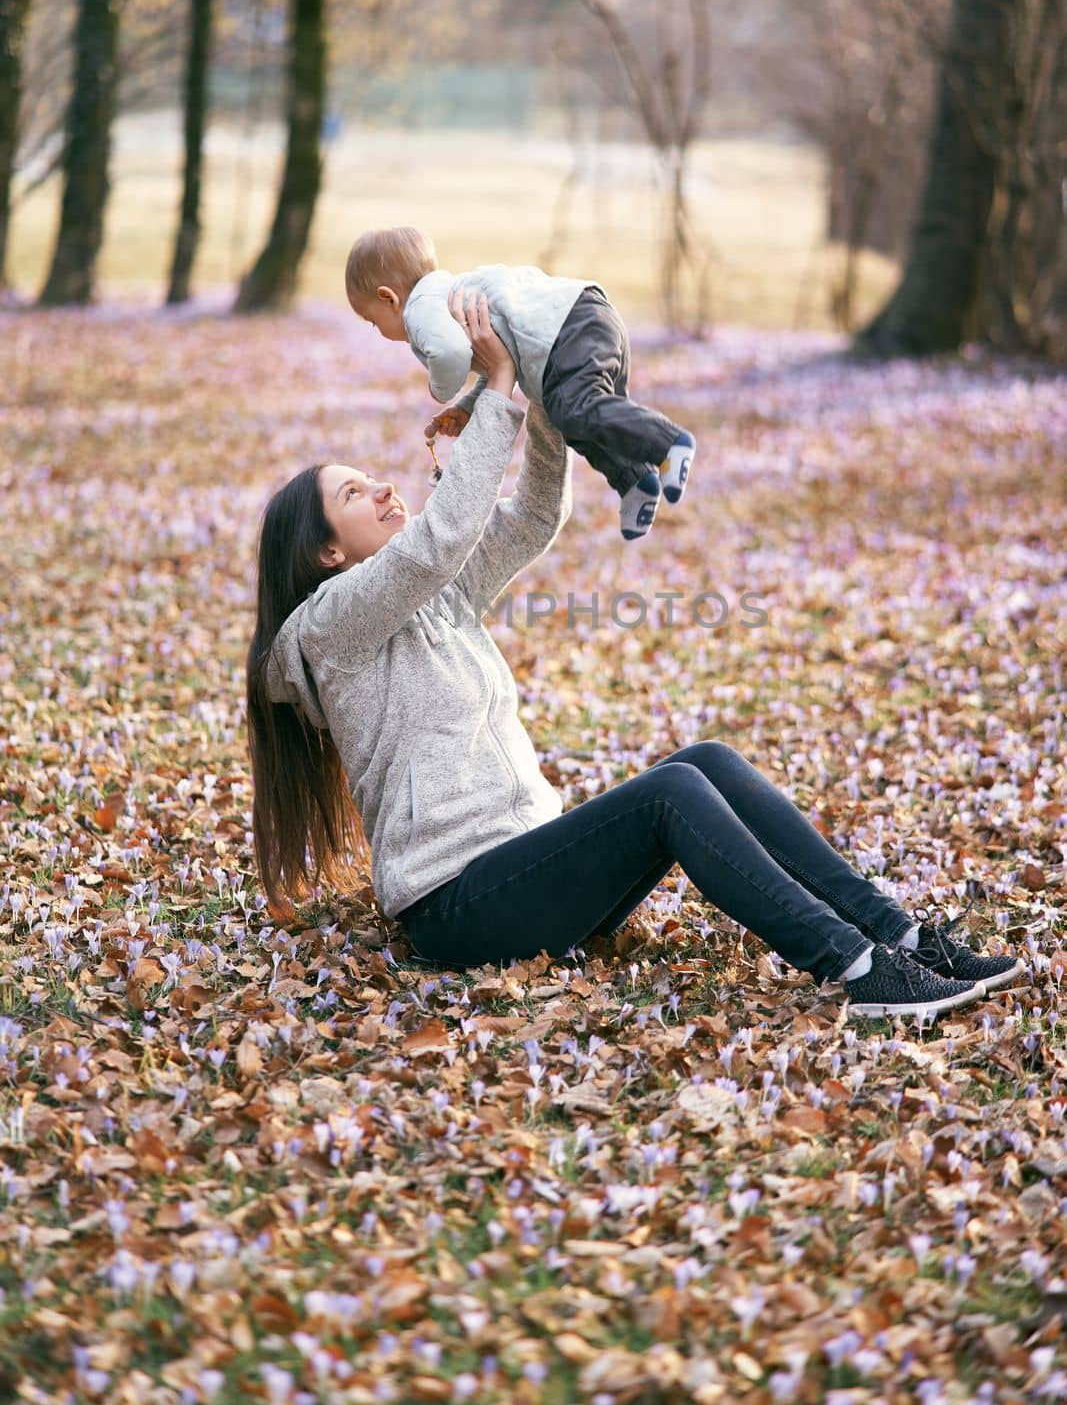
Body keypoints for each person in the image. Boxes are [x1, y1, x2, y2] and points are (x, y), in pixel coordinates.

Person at [246, 296, 1023, 1020]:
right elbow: (440, 537)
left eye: (372, 479)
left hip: (525, 868)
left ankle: (907, 941)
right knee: (668, 794)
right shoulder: (329, 629)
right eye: (353, 495)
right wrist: (498, 389)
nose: (382, 487)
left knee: (707, 760)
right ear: (324, 552)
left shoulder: (429, 598)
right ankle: (858, 973)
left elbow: (528, 521)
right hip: (457, 904)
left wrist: (548, 390)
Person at [344, 223, 696, 541]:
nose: (379, 331)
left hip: (569, 329)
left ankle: (667, 443)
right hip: (587, 320)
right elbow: (501, 361)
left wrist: (440, 391)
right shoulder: (449, 296)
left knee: (575, 410)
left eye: (373, 321)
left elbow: (449, 354)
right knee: (575, 420)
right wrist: (467, 406)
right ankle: (635, 481)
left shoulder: (419, 309)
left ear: (388, 298)